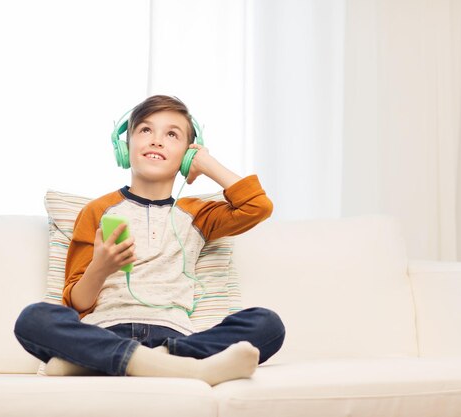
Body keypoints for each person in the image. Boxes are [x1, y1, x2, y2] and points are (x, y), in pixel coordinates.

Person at [14, 95, 285, 386]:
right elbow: (75, 304)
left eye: (172, 134)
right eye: (145, 130)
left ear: (187, 154)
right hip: (106, 331)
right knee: (34, 319)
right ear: (124, 146)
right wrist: (101, 268)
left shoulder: (198, 214)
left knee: (268, 324)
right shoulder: (96, 210)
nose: (157, 140)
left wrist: (205, 162)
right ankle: (186, 368)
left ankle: (104, 362)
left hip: (175, 337)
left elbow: (258, 207)